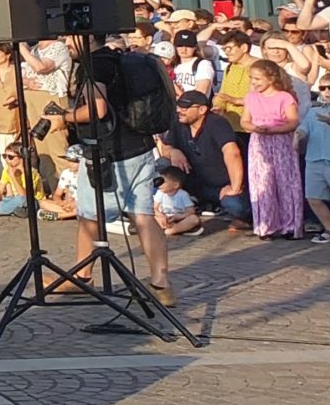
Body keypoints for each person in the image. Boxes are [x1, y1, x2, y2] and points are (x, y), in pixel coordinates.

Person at [67, 44, 174, 305]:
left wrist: (66, 117)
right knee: (143, 216)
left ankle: (82, 278)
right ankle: (161, 285)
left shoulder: (94, 65)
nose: (66, 44)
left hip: (110, 153)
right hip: (141, 146)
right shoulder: (121, 58)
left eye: (68, 39)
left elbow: (97, 108)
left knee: (90, 217)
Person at [163, 91, 249, 226]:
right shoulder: (179, 122)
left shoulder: (217, 123)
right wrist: (173, 151)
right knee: (162, 164)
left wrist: (235, 187)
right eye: (178, 107)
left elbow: (232, 153)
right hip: (196, 182)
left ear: (202, 109)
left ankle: (246, 216)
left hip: (223, 185)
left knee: (235, 204)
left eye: (185, 108)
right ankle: (176, 206)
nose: (179, 111)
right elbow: (165, 148)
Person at [241, 58, 305, 238]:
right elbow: (244, 121)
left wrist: (274, 129)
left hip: (281, 142)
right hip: (259, 142)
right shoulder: (251, 97)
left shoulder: (285, 97)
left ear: (271, 78)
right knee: (262, 183)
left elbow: (293, 121)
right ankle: (265, 225)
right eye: (252, 78)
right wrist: (255, 128)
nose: (254, 83)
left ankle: (290, 225)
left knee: (286, 182)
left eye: (258, 79)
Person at [299, 81, 330, 243]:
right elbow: (303, 128)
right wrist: (298, 137)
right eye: (322, 88)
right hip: (314, 160)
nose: (326, 91)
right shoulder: (313, 111)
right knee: (313, 197)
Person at [152, 166, 202, 236]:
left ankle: (173, 230)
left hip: (180, 219)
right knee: (150, 217)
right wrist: (160, 215)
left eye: (163, 182)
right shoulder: (160, 193)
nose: (159, 184)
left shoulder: (183, 195)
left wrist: (177, 217)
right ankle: (174, 229)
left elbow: (191, 211)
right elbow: (154, 208)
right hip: (165, 219)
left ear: (176, 185)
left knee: (194, 219)